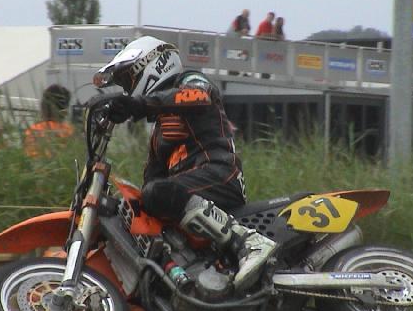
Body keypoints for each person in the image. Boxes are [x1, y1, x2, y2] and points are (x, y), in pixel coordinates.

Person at [93, 36, 277, 293]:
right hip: (190, 193)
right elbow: (151, 185)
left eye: (128, 80)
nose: (127, 90)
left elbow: (199, 96)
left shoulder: (191, 82)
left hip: (220, 173)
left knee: (157, 192)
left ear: (154, 64)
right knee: (147, 199)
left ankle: (247, 241)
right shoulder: (158, 133)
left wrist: (140, 104)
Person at [24, 84, 74, 158]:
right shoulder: (69, 131)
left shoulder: (31, 130)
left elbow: (28, 156)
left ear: (43, 106)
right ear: (64, 109)